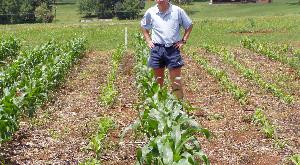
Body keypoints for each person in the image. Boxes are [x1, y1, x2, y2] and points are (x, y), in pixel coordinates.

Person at [140, 0, 193, 99]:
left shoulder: (177, 11)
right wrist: (148, 40)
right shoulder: (151, 12)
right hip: (157, 49)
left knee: (176, 81)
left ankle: (179, 107)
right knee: (158, 82)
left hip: (172, 49)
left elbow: (189, 25)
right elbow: (143, 26)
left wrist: (183, 41)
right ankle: (159, 106)